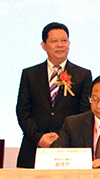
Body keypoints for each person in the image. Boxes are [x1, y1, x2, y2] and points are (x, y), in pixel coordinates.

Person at [15, 22, 92, 168]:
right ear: (43, 45)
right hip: (33, 148)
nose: (60, 45)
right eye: (54, 41)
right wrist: (38, 138)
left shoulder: (82, 75)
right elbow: (22, 111)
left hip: (69, 148)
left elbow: (84, 112)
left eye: (64, 40)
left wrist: (60, 136)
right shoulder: (30, 74)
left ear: (69, 44)